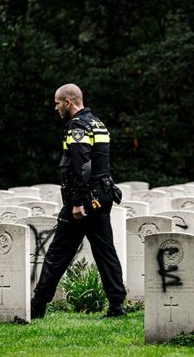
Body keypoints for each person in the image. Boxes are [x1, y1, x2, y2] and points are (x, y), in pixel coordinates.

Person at [30, 83, 127, 318]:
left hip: (85, 201)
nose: (56, 108)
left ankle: (37, 306)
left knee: (56, 254)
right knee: (106, 252)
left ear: (69, 102)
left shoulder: (77, 126)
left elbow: (82, 166)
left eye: (58, 103)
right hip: (102, 197)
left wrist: (77, 202)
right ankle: (117, 304)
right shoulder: (98, 123)